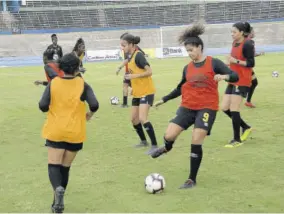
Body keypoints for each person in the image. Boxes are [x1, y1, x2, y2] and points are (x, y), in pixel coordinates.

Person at [149, 24, 239, 189]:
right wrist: (165, 99)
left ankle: (191, 179)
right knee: (169, 136)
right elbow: (180, 88)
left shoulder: (214, 63)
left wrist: (224, 76)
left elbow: (235, 75)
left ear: (200, 47)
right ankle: (167, 148)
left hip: (207, 108)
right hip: (187, 107)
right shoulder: (187, 68)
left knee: (196, 140)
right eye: (187, 51)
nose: (189, 54)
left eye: (191, 50)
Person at [39, 53, 99, 213]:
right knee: (65, 167)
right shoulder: (83, 84)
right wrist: (89, 115)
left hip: (56, 130)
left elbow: (42, 105)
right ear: (77, 68)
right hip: (76, 132)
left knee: (53, 165)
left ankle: (57, 191)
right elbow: (94, 104)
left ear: (61, 68)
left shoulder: (53, 83)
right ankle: (56, 203)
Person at [120, 33, 158, 154]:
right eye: (121, 45)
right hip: (137, 93)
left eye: (124, 45)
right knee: (134, 119)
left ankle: (154, 145)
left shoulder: (138, 55)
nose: (122, 47)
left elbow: (150, 71)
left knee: (142, 118)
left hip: (146, 92)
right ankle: (143, 141)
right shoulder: (130, 56)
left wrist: (134, 76)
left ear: (131, 44)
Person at [222, 22, 254, 147]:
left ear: (241, 32)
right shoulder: (234, 43)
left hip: (242, 80)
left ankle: (237, 140)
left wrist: (235, 60)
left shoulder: (247, 43)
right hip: (233, 78)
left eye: (234, 32)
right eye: (231, 32)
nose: (232, 34)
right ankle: (245, 127)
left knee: (234, 109)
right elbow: (234, 61)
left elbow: (251, 63)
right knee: (224, 108)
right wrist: (227, 65)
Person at [116, 32, 146, 108]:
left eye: (123, 44)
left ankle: (129, 103)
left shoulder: (133, 49)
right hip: (129, 70)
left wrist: (119, 67)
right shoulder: (131, 48)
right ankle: (126, 103)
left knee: (129, 86)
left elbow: (128, 59)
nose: (122, 46)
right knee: (127, 85)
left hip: (132, 71)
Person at [245, 27, 264, 108]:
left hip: (245, 67)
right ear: (250, 33)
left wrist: (259, 54)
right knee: (252, 83)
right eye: (253, 31)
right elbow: (250, 55)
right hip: (245, 67)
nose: (254, 33)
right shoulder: (250, 42)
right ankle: (246, 101)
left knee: (253, 82)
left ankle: (247, 101)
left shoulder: (244, 41)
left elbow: (250, 54)